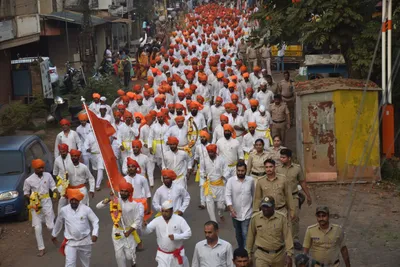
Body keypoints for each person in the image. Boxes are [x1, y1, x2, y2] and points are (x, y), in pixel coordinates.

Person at [96, 181, 144, 267]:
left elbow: (137, 221)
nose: (123, 193)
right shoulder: (115, 201)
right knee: (119, 256)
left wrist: (129, 232)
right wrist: (108, 200)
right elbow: (98, 206)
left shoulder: (134, 205)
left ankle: (133, 262)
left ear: (129, 192)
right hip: (117, 231)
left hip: (129, 232)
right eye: (122, 191)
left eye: (126, 191)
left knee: (130, 256)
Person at [51, 188, 99, 267]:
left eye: (75, 199)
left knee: (85, 264)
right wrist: (54, 234)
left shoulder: (86, 209)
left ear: (79, 200)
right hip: (70, 242)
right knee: (70, 264)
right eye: (71, 199)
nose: (73, 201)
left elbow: (95, 221)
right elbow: (58, 223)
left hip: (85, 241)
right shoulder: (64, 210)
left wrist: (95, 234)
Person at [276, 148, 312, 250]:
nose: (281, 159)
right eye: (281, 157)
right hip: (281, 197)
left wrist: (308, 195)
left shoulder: (297, 168)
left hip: (294, 196)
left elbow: (302, 182)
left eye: (283, 157)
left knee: (294, 218)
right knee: (281, 218)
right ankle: (282, 240)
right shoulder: (278, 169)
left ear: (289, 158)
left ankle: (295, 240)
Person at [24, 159, 58, 257]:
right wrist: (32, 198)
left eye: (42, 167)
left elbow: (53, 186)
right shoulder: (29, 180)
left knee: (50, 226)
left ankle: (54, 237)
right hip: (35, 205)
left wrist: (56, 191)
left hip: (47, 202)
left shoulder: (48, 175)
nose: (41, 169)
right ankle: (41, 248)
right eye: (39, 168)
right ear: (35, 169)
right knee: (37, 228)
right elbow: (26, 193)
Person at [246, 196, 293, 267]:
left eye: (268, 207)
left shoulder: (282, 218)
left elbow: (287, 236)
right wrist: (248, 254)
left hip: (279, 255)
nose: (265, 209)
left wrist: (289, 255)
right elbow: (250, 236)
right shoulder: (255, 218)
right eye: (263, 206)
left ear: (274, 206)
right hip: (261, 255)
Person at [142, 200, 192, 267]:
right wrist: (144, 227)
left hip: (176, 255)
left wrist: (176, 236)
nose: (164, 213)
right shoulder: (157, 220)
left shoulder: (179, 220)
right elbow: (146, 231)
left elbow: (188, 233)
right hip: (162, 255)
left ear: (172, 211)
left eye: (166, 211)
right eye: (162, 211)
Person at [225, 162, 254, 250]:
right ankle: (241, 248)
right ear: (236, 170)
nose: (240, 172)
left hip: (247, 212)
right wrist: (231, 208)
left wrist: (254, 209)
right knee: (238, 233)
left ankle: (246, 252)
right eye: (238, 171)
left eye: (242, 171)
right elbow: (227, 195)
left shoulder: (251, 180)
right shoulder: (231, 181)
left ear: (246, 171)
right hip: (235, 213)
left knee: (245, 233)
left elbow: (254, 194)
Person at [201, 144, 229, 222]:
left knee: (221, 206)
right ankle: (214, 222)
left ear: (215, 152)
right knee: (210, 205)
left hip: (220, 186)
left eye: (212, 152)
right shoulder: (204, 160)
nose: (210, 154)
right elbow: (201, 171)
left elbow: (227, 169)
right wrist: (204, 176)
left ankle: (220, 213)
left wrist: (224, 176)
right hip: (209, 186)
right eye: (209, 152)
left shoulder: (221, 160)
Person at [53, 144, 72, 214]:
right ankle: (60, 218)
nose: (62, 153)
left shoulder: (72, 157)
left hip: (72, 182)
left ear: (67, 151)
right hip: (62, 183)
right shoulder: (57, 160)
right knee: (62, 201)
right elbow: (55, 173)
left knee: (71, 200)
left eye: (64, 152)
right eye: (61, 152)